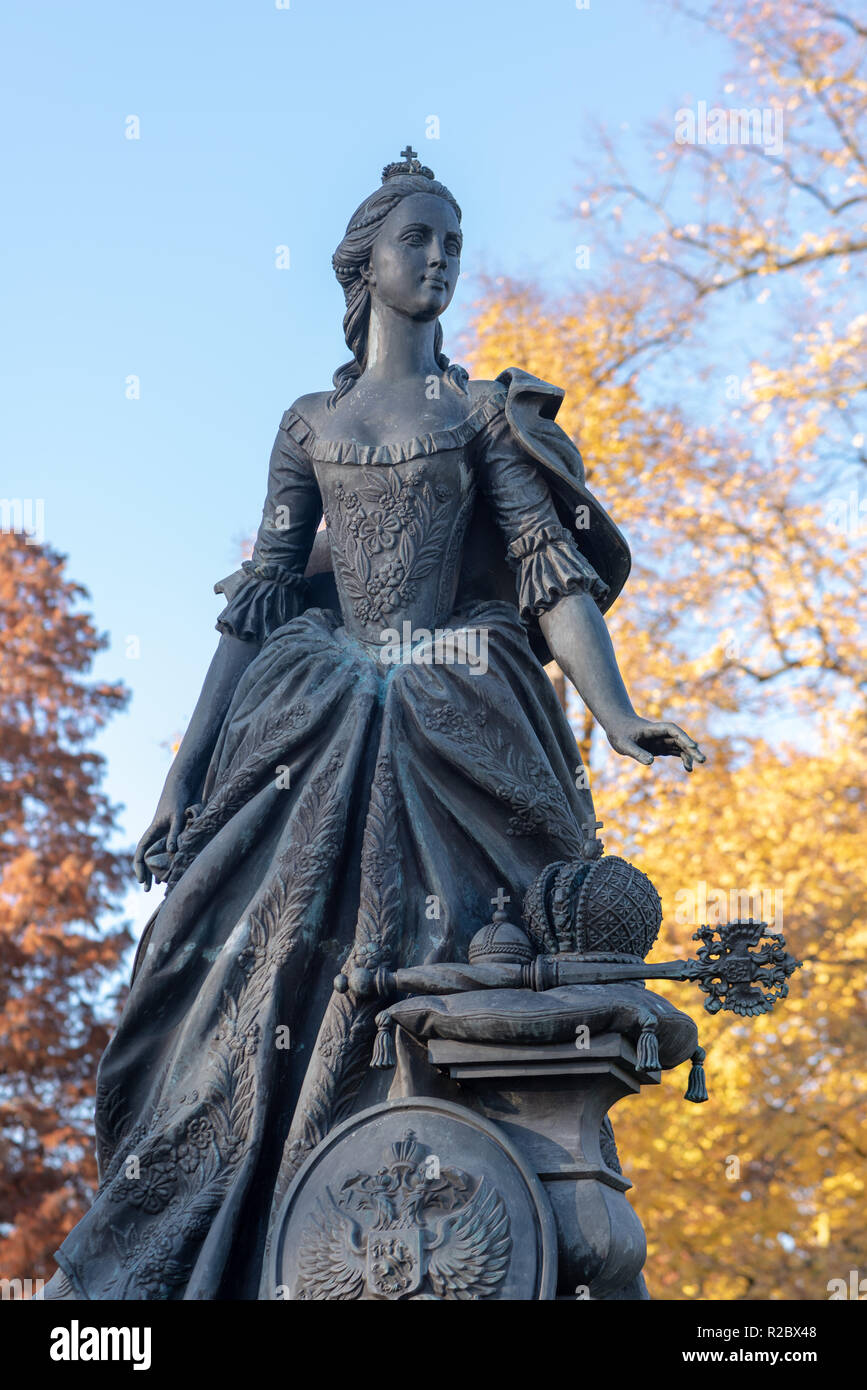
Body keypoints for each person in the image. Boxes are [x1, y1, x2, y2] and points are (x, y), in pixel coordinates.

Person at [45, 150, 703, 1300]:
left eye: (455, 243)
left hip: (458, 702)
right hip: (312, 712)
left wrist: (618, 714)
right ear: (365, 264)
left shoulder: (484, 415)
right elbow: (257, 609)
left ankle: (431, 1177)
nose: (441, 260)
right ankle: (264, 1223)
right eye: (421, 241)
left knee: (455, 955)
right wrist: (180, 780)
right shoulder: (306, 423)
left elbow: (551, 579)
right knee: (243, 981)